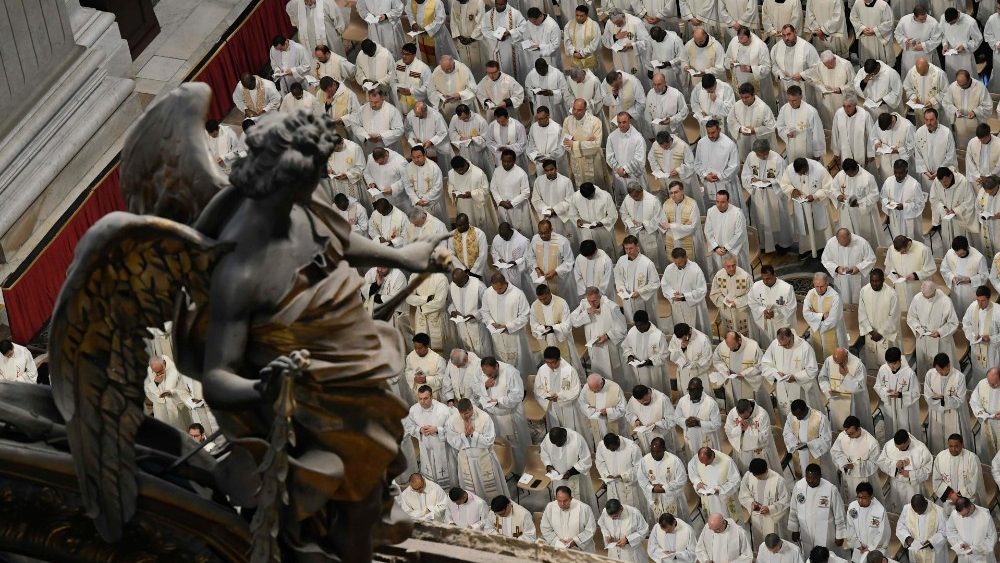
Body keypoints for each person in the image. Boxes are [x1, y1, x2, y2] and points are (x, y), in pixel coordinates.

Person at [470, 356, 531, 473]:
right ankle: (507, 468)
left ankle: (521, 470)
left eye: (491, 374)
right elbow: (475, 387)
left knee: (515, 445)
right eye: (486, 374)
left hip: (509, 415)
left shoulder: (511, 372)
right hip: (492, 415)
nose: (489, 377)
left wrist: (499, 401)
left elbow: (517, 395)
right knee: (499, 444)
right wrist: (485, 386)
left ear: (497, 366)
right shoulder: (480, 371)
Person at [742, 139, 792, 254]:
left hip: (774, 195)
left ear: (768, 150)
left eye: (765, 154)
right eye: (760, 155)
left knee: (778, 220)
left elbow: (784, 179)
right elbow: (745, 174)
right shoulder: (751, 157)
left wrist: (770, 182)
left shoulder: (777, 160)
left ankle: (782, 244)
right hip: (758, 194)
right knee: (761, 219)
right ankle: (764, 244)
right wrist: (751, 179)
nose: (763, 157)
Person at [780, 156, 835, 260]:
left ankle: (825, 248)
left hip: (818, 204)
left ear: (807, 167)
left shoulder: (819, 169)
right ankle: (806, 249)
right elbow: (784, 184)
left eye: (803, 172)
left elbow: (829, 187)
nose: (802, 175)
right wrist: (792, 190)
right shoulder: (790, 169)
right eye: (799, 173)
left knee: (822, 229)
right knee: (804, 228)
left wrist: (815, 196)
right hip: (801, 206)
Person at [480, 272, 533, 378]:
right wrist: (491, 323)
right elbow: (484, 311)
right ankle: (505, 379)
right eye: (495, 289)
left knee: (519, 360)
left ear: (505, 283)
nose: (497, 291)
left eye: (499, 288)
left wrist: (508, 326)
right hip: (497, 334)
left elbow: (525, 315)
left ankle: (520, 379)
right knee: (501, 357)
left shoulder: (518, 294)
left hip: (514, 334)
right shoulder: (488, 292)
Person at [570, 286, 628, 382]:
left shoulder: (612, 307)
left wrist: (607, 336)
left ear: (600, 296)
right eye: (589, 301)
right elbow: (574, 321)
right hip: (593, 347)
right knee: (597, 374)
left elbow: (622, 329)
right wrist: (586, 313)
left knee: (613, 377)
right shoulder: (584, 304)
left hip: (608, 348)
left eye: (594, 300)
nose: (591, 303)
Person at [789, 464, 848, 555]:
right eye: (808, 477)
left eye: (814, 478)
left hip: (827, 533)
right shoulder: (799, 486)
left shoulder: (831, 489)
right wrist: (795, 529)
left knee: (826, 556)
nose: (810, 481)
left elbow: (839, 513)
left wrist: (840, 535)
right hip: (806, 532)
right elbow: (794, 508)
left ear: (820, 476)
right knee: (809, 555)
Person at [404, 385, 456, 487]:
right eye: (420, 399)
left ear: (432, 397)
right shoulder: (414, 410)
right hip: (424, 446)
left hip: (441, 448)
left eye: (426, 398)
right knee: (429, 474)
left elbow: (452, 429)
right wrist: (420, 429)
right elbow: (409, 426)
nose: (422, 401)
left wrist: (437, 429)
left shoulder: (443, 410)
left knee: (445, 473)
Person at [762, 327, 821, 416]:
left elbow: (812, 370)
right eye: (782, 345)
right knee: (787, 415)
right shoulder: (775, 344)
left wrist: (795, 377)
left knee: (804, 415)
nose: (785, 346)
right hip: (783, 386)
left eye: (787, 343)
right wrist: (775, 373)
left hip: (802, 389)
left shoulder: (804, 347)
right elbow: (765, 363)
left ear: (791, 336)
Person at [908, 284, 959, 378]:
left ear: (935, 291)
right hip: (923, 339)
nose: (927, 299)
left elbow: (953, 323)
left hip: (941, 341)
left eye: (930, 297)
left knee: (943, 370)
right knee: (925, 369)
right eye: (924, 296)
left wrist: (940, 332)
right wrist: (917, 327)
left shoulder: (945, 300)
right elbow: (911, 318)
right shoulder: (917, 298)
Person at [873, 347, 922, 444]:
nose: (892, 366)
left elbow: (916, 393)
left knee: (904, 427)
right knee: (891, 428)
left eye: (894, 363)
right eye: (889, 363)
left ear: (900, 360)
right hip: (890, 406)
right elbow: (877, 385)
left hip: (904, 409)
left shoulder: (909, 373)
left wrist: (900, 395)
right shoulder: (883, 369)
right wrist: (886, 391)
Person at [541, 427, 599, 510]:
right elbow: (544, 451)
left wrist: (571, 472)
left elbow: (586, 460)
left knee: (579, 503)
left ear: (565, 435)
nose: (557, 446)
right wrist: (548, 465)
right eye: (554, 444)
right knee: (562, 502)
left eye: (559, 443)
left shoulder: (577, 439)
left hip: (576, 477)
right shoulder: (547, 438)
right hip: (558, 479)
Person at [923, 353, 970, 453]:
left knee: (953, 434)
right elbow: (927, 394)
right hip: (936, 412)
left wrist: (945, 399)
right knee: (937, 439)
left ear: (948, 365)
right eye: (937, 370)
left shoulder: (959, 377)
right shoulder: (930, 374)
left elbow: (960, 399)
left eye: (942, 370)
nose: (939, 372)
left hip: (952, 413)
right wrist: (936, 400)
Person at [877, 429, 933, 513]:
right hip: (896, 485)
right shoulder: (889, 445)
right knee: (898, 510)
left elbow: (927, 470)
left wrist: (911, 474)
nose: (899, 450)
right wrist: (895, 465)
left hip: (913, 487)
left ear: (908, 441)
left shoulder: (921, 449)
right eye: (897, 447)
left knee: (914, 512)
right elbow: (881, 462)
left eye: (902, 448)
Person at [714, 331, 769, 414]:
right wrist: (724, 369)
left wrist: (745, 373)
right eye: (729, 347)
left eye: (733, 347)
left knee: (748, 407)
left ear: (739, 340)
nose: (731, 349)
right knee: (734, 405)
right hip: (732, 382)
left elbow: (761, 365)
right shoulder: (723, 345)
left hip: (748, 382)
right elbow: (716, 359)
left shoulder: (753, 346)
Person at [832, 417, 884, 503]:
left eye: (851, 433)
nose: (849, 436)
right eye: (847, 433)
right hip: (848, 476)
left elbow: (874, 464)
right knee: (849, 501)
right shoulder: (843, 435)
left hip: (864, 478)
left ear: (858, 429)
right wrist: (843, 462)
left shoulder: (871, 442)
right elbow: (835, 451)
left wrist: (856, 466)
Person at [534, 346, 584, 434]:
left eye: (552, 362)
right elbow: (538, 388)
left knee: (571, 430)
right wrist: (546, 396)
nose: (550, 365)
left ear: (559, 359)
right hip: (552, 406)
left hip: (568, 405)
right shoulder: (542, 369)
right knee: (556, 428)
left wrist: (559, 396)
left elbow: (576, 390)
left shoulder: (569, 370)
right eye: (547, 362)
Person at [614, 235, 661, 326]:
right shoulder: (621, 260)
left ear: (637, 247)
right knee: (631, 320)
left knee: (645, 322)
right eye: (626, 248)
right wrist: (621, 288)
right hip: (627, 298)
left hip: (642, 299)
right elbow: (618, 277)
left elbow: (655, 283)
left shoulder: (647, 263)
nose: (628, 251)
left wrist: (639, 292)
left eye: (631, 248)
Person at [858, 270, 901, 368]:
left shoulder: (891, 294)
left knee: (887, 364)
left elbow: (893, 316)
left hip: (885, 334)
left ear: (883, 280)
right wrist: (870, 330)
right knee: (871, 362)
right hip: (871, 333)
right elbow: (862, 312)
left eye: (877, 281)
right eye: (872, 281)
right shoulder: (864, 291)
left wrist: (881, 332)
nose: (874, 284)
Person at [660, 248, 710, 333]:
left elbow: (702, 290)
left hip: (693, 307)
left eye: (679, 263)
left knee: (696, 332)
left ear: (685, 258)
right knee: (681, 330)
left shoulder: (695, 270)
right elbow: (664, 285)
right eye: (675, 262)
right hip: (677, 307)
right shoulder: (670, 268)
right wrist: (672, 294)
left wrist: (684, 296)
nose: (677, 265)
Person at [783, 399, 836, 478]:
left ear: (805, 410)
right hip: (799, 454)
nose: (797, 418)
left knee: (821, 478)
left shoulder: (820, 418)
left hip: (817, 455)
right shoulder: (791, 416)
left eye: (799, 415)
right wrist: (794, 443)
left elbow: (827, 439)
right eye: (795, 415)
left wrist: (809, 445)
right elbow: (786, 432)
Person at [932, 434, 985, 513]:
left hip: (967, 499)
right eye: (950, 446)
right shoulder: (940, 457)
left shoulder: (972, 458)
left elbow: (975, 482)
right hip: (949, 499)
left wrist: (958, 496)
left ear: (962, 444)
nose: (953, 449)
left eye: (956, 446)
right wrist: (951, 495)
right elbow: (936, 480)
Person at [930, 168, 977, 256]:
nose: (944, 185)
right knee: (948, 242)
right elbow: (934, 199)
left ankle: (964, 256)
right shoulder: (936, 182)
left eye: (946, 181)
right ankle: (950, 258)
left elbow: (969, 201)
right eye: (942, 182)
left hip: (959, 219)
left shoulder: (963, 182)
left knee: (960, 240)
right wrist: (943, 208)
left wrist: (956, 211)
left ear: (951, 176)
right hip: (946, 217)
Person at [693, 120, 740, 208]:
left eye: (713, 132)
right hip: (708, 183)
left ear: (719, 129)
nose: (710, 135)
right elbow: (697, 163)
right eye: (708, 133)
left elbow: (735, 166)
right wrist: (705, 175)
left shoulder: (729, 144)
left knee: (729, 209)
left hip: (725, 183)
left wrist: (719, 176)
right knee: (712, 209)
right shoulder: (701, 143)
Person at [822, 229, 876, 305]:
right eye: (841, 244)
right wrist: (837, 268)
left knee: (860, 302)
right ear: (837, 239)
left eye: (847, 243)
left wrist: (858, 267)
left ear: (850, 236)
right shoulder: (831, 243)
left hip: (858, 278)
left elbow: (871, 259)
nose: (844, 246)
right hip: (841, 279)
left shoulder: (861, 242)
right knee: (843, 302)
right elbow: (825, 260)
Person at [567, 182, 619, 261]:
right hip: (586, 230)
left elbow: (613, 215)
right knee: (590, 253)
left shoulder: (605, 196)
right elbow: (572, 212)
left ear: (594, 190)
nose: (588, 199)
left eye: (590, 196)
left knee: (607, 252)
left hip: (603, 230)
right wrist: (577, 220)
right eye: (586, 198)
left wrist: (602, 223)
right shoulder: (576, 196)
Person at [606, 114, 650, 206]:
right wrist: (619, 169)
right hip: (619, 175)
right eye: (619, 122)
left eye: (624, 122)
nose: (621, 125)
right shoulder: (612, 136)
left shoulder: (638, 138)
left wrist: (625, 170)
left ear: (629, 121)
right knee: (624, 204)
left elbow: (639, 159)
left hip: (633, 175)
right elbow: (609, 156)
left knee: (639, 203)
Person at [661, 182, 706, 271]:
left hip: (688, 240)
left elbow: (692, 228)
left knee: (690, 267)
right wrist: (682, 226)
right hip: (672, 241)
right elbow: (663, 225)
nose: (673, 195)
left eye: (676, 192)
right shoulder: (666, 204)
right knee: (675, 266)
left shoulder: (692, 204)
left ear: (682, 191)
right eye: (671, 193)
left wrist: (671, 226)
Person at [621, 185, 667, 271]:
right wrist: (630, 222)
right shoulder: (628, 198)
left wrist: (644, 224)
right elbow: (623, 212)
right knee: (638, 258)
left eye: (636, 196)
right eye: (632, 197)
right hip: (635, 232)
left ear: (641, 191)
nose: (634, 199)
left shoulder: (653, 200)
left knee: (653, 259)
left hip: (650, 234)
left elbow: (659, 218)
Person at [725, 398, 780, 471]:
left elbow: (765, 438)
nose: (742, 419)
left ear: (750, 409)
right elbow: (728, 430)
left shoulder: (762, 415)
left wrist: (748, 429)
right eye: (740, 416)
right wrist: (739, 428)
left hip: (758, 452)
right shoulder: (733, 412)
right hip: (742, 451)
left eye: (745, 417)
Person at [688, 447, 742, 520]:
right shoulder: (696, 459)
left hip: (723, 498)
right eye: (702, 463)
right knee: (713, 522)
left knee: (727, 520)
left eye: (707, 462)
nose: (705, 465)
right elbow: (692, 472)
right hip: (707, 498)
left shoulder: (727, 461)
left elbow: (736, 481)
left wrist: (720, 490)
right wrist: (698, 482)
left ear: (713, 457)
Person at [448, 157, 497, 238]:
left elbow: (486, 190)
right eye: (457, 171)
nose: (460, 172)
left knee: (479, 230)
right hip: (462, 205)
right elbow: (450, 186)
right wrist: (452, 193)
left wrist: (472, 194)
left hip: (476, 205)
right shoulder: (451, 173)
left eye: (461, 169)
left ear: (465, 164)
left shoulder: (478, 173)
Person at [749, 266, 798, 346]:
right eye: (763, 278)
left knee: (783, 345)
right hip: (765, 323)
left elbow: (791, 308)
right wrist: (763, 311)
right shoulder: (756, 287)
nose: (765, 281)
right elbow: (752, 302)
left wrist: (775, 314)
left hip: (781, 323)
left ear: (774, 275)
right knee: (768, 345)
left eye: (768, 278)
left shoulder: (786, 288)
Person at [527, 221, 575, 303]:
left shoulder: (562, 241)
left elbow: (569, 261)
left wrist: (556, 271)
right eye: (540, 233)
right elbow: (530, 256)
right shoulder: (535, 239)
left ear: (551, 230)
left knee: (559, 302)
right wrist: (537, 268)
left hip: (558, 280)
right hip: (541, 279)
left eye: (545, 233)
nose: (543, 236)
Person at [729, 82, 777, 162]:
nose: (744, 100)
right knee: (747, 162)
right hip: (744, 141)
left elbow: (771, 127)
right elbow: (731, 120)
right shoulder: (737, 105)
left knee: (760, 161)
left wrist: (755, 130)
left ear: (753, 94)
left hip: (759, 142)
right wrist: (740, 128)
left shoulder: (763, 107)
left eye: (747, 97)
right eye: (742, 97)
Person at [563, 98, 606, 188]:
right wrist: (586, 142)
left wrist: (574, 143)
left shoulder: (595, 122)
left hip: (592, 160)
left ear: (585, 110)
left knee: (595, 187)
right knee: (580, 186)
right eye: (574, 108)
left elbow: (596, 146)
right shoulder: (567, 121)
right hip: (576, 160)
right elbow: (565, 143)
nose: (575, 112)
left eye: (579, 110)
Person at [622, 311, 670, 391]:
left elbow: (664, 355)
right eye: (636, 325)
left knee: (655, 392)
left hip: (653, 371)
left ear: (647, 322)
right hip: (637, 371)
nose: (638, 328)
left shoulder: (658, 335)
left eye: (640, 325)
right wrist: (630, 356)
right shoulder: (632, 331)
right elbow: (626, 347)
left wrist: (650, 361)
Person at [603, 10, 653, 86]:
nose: (618, 25)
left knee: (637, 81)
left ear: (624, 17)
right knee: (622, 79)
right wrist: (615, 37)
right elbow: (604, 40)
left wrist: (632, 45)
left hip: (634, 58)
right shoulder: (610, 23)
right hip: (618, 57)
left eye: (619, 23)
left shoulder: (635, 22)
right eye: (615, 24)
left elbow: (646, 42)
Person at [803, 272, 848, 358]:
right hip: (816, 333)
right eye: (816, 286)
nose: (819, 289)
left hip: (832, 332)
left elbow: (833, 320)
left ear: (827, 283)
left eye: (822, 286)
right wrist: (822, 316)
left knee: (836, 360)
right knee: (818, 357)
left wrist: (815, 320)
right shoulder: (811, 293)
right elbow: (806, 313)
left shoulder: (835, 297)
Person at [726, 27, 774, 106]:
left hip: (756, 83)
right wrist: (730, 63)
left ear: (750, 37)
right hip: (738, 82)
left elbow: (767, 67)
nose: (742, 44)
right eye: (740, 42)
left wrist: (751, 69)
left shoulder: (760, 45)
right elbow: (727, 58)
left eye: (745, 43)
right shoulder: (734, 41)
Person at [540, 486, 597, 552]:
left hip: (580, 549)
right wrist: (557, 541)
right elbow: (545, 528)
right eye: (559, 501)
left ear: (571, 498)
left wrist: (575, 541)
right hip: (558, 547)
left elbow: (590, 530)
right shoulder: (550, 507)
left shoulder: (584, 508)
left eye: (565, 501)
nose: (562, 504)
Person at [913, 108, 957, 194]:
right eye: (926, 120)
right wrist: (925, 171)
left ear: (937, 119)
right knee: (931, 198)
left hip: (943, 174)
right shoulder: (919, 132)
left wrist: (939, 171)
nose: (929, 123)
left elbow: (950, 155)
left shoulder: (946, 132)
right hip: (927, 175)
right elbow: (918, 154)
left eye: (931, 120)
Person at [596, 433, 644, 511]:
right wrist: (606, 474)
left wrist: (623, 476)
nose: (612, 451)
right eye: (610, 450)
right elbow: (599, 462)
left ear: (618, 441)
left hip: (628, 485)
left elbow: (639, 467)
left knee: (631, 511)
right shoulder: (601, 446)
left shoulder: (632, 447)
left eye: (613, 449)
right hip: (612, 484)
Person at [481, 0, 527, 80]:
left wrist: (510, 33)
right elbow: (484, 30)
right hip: (495, 48)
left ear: (506, 3)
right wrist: (496, 35)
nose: (498, 6)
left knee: (511, 71)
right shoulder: (488, 15)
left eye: (501, 5)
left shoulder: (515, 13)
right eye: (497, 4)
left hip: (510, 48)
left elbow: (524, 27)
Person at [710, 255, 754, 338]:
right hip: (726, 311)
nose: (732, 268)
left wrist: (736, 302)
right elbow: (714, 293)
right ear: (724, 266)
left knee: (745, 336)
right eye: (728, 266)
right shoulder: (719, 275)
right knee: (730, 335)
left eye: (733, 265)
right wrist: (724, 300)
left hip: (742, 311)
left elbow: (752, 295)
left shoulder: (744, 276)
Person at [704, 191, 749, 272]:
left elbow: (739, 234)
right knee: (721, 275)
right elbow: (708, 231)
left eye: (722, 202)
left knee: (737, 275)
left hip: (733, 251)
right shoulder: (711, 211)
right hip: (717, 251)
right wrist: (716, 247)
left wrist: (726, 248)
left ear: (728, 201)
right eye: (717, 201)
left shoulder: (737, 213)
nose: (719, 205)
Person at [449, 271, 492, 356]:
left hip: (477, 325)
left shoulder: (479, 286)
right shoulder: (453, 285)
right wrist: (452, 310)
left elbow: (488, 305)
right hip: (462, 325)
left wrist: (474, 315)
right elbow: (451, 303)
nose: (458, 286)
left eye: (460, 283)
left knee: (482, 352)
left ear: (466, 277)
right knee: (467, 351)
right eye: (456, 283)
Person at [896, 494, 949, 563]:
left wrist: (931, 541)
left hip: (934, 553)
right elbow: (900, 527)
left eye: (920, 510)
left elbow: (945, 532)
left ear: (925, 503)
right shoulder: (907, 509)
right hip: (915, 551)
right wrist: (908, 538)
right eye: (915, 511)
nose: (918, 513)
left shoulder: (939, 511)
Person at [845, 483, 891, 563]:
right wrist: (858, 545)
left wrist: (870, 549)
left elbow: (883, 533)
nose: (860, 500)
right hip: (859, 548)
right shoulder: (853, 507)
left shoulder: (879, 510)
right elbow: (850, 527)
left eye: (864, 498)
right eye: (859, 497)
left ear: (871, 497)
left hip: (875, 550)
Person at [674, 378, 721, 456]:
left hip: (706, 439)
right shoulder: (683, 401)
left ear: (701, 389)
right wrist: (685, 422)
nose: (692, 393)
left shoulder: (711, 403)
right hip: (690, 437)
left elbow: (717, 424)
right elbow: (676, 418)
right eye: (690, 390)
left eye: (695, 390)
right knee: (692, 460)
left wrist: (699, 423)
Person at [577, 373, 627, 446]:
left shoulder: (615, 388)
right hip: (596, 424)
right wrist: (589, 409)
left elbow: (623, 408)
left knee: (617, 446)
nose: (593, 392)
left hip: (612, 424)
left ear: (601, 384)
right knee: (601, 445)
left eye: (596, 390)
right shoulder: (586, 387)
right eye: (592, 390)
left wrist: (608, 412)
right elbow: (581, 402)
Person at [942, 237, 987, 317]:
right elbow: (944, 269)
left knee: (971, 314)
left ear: (967, 248)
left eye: (962, 254)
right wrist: (952, 277)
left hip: (970, 293)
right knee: (957, 312)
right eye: (957, 254)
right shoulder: (950, 253)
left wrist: (970, 280)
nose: (959, 256)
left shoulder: (978, 257)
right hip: (956, 291)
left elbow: (984, 276)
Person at [144, 355, 191, 431]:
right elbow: (147, 390)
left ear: (163, 364)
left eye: (160, 371)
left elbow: (184, 388)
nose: (158, 374)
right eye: (156, 372)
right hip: (161, 409)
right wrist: (155, 383)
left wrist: (171, 391)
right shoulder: (149, 371)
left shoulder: (174, 369)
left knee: (183, 429)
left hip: (176, 405)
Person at [885, 236, 936, 307]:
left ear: (909, 244)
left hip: (917, 287)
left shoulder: (923, 249)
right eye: (900, 252)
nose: (902, 254)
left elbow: (930, 269)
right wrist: (894, 273)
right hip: (901, 287)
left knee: (919, 309)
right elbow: (889, 266)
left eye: (904, 251)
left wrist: (915, 275)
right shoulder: (891, 249)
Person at [353, 88, 405, 155]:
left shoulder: (392, 110)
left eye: (376, 102)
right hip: (370, 146)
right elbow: (356, 125)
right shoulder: (362, 109)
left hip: (389, 148)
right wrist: (366, 136)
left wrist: (381, 136)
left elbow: (399, 130)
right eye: (371, 102)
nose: (373, 105)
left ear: (382, 98)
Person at [829, 97, 875, 173]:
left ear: (855, 105)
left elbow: (871, 134)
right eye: (844, 106)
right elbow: (835, 132)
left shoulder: (865, 115)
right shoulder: (839, 114)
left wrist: (870, 153)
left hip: (861, 150)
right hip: (844, 149)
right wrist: (836, 152)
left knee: (862, 172)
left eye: (849, 106)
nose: (846, 109)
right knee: (847, 170)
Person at [945, 497, 998, 561]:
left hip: (981, 557)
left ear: (970, 507)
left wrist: (975, 549)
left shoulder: (985, 517)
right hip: (964, 556)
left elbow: (991, 539)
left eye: (965, 514)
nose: (963, 517)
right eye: (961, 515)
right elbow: (950, 530)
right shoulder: (955, 514)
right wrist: (959, 542)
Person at [449, 106, 494, 179]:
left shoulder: (480, 120)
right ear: (458, 116)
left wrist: (473, 138)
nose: (465, 120)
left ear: (469, 112)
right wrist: (460, 138)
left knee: (479, 170)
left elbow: (486, 137)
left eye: (466, 118)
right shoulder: (455, 118)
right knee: (466, 169)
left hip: (478, 151)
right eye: (462, 119)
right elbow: (452, 131)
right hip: (464, 149)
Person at [668, 323, 714, 392]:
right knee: (685, 393)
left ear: (689, 332)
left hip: (698, 374)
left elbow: (708, 359)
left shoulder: (703, 339)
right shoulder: (676, 336)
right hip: (683, 372)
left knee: (701, 394)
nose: (683, 340)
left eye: (684, 338)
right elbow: (672, 351)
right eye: (680, 339)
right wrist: (682, 348)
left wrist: (695, 365)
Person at [873, 116, 916, 185]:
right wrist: (877, 142)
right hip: (885, 161)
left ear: (892, 121)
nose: (887, 130)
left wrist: (899, 150)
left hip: (901, 161)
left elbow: (913, 145)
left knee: (905, 186)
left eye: (889, 128)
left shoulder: (907, 126)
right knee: (888, 185)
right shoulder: (879, 122)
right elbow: (874, 136)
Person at [527, 112, 570, 180]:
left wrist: (549, 156)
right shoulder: (534, 127)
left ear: (547, 117)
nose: (539, 121)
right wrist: (537, 156)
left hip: (555, 163)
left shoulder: (557, 128)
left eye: (541, 119)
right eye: (538, 119)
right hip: (540, 162)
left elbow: (562, 147)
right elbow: (530, 145)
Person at [646, 73, 689, 140]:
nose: (656, 87)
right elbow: (647, 114)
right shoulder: (650, 93)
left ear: (665, 83)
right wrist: (650, 133)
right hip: (657, 131)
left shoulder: (676, 94)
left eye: (659, 84)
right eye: (654, 84)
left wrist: (672, 120)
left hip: (673, 131)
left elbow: (684, 111)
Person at [971, 368, 1000, 462]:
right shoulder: (982, 384)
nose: (991, 385)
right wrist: (984, 414)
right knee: (988, 451)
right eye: (989, 382)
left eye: (995, 383)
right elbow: (974, 401)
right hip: (987, 421)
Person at [564, 5, 602, 75]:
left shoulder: (594, 25)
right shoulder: (569, 25)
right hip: (575, 57)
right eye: (577, 15)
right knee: (578, 77)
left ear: (587, 15)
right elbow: (567, 41)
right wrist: (573, 52)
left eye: (581, 16)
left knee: (590, 79)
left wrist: (582, 53)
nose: (578, 18)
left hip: (589, 57)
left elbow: (595, 43)